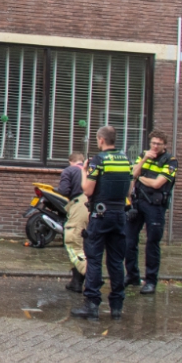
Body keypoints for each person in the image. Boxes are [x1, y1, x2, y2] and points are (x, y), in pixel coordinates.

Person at [71, 126, 132, 321]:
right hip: (120, 215)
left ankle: (92, 305)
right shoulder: (125, 160)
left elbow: (88, 190)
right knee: (116, 261)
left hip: (100, 215)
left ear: (101, 140)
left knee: (94, 259)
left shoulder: (99, 161)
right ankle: (116, 307)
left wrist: (84, 171)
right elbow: (129, 190)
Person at [124, 130, 178, 295]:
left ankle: (150, 281)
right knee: (128, 240)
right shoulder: (143, 156)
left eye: (158, 144)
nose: (155, 146)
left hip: (155, 206)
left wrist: (139, 178)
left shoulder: (171, 161)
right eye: (153, 143)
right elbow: (132, 174)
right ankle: (132, 275)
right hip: (138, 203)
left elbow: (157, 184)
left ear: (165, 145)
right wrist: (145, 159)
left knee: (152, 243)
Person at [60, 151, 89, 293]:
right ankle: (76, 282)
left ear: (70, 161)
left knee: (73, 243)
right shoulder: (89, 170)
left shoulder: (69, 170)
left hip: (79, 207)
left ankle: (91, 277)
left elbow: (64, 190)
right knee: (86, 246)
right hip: (94, 207)